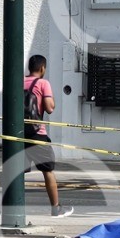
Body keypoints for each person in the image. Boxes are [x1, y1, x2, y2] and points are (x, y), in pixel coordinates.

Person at [22, 55, 72, 217]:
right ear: (42, 68)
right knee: (48, 171)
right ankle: (55, 208)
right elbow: (50, 108)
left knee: (16, 172)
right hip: (37, 134)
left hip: (18, 133)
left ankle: (9, 207)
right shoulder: (43, 83)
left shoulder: (19, 81)